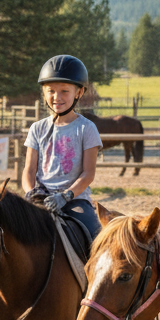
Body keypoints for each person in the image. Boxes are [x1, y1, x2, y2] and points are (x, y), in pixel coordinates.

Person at [21, 55, 103, 246]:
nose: (57, 97)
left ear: (79, 92)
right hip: (41, 198)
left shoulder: (87, 128)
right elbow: (29, 170)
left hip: (75, 200)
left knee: (95, 238)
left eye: (64, 91)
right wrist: (30, 193)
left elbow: (88, 173)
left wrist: (66, 195)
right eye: (51, 91)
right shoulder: (37, 129)